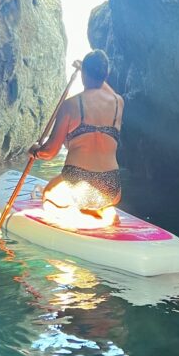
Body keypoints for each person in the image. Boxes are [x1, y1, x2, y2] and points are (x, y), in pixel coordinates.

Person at [30, 49, 124, 225]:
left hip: (78, 185)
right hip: (111, 189)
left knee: (48, 196)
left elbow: (50, 152)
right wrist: (86, 69)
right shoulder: (119, 102)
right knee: (100, 199)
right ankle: (103, 211)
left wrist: (35, 151)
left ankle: (78, 215)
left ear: (83, 74)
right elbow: (104, 88)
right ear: (106, 74)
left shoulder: (70, 105)